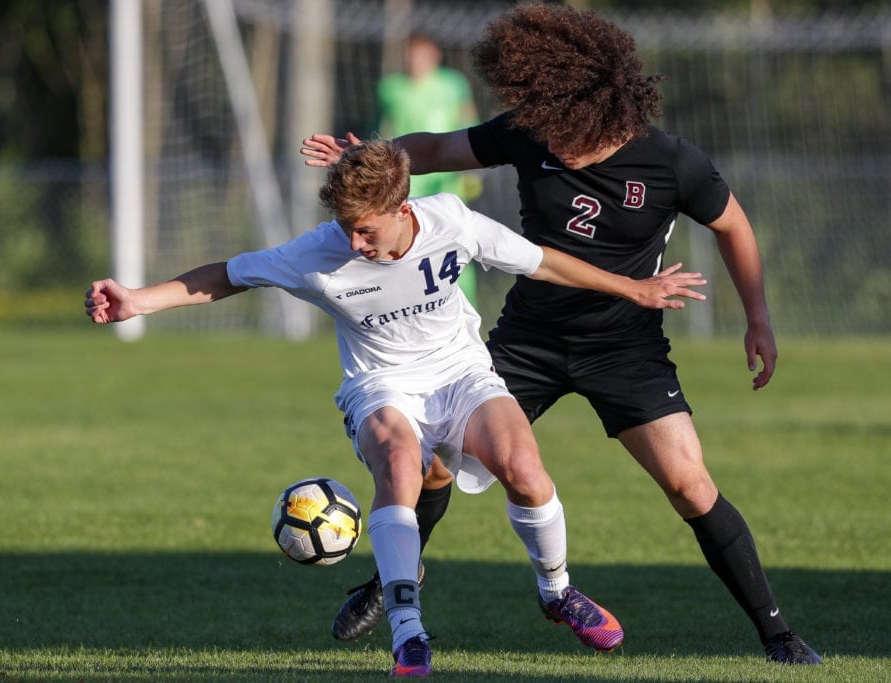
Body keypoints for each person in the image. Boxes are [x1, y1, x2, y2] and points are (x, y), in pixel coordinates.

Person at [301, 3, 823, 666]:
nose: (555, 144)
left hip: (626, 348)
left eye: (565, 131)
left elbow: (734, 227)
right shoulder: (532, 131)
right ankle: (390, 584)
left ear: (602, 111)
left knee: (691, 484)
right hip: (529, 339)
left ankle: (777, 633)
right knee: (429, 460)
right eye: (544, 127)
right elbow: (434, 148)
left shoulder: (671, 162)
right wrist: (367, 161)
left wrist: (758, 318)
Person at [85, 139, 708, 677]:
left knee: (525, 468)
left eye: (368, 229)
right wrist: (138, 300)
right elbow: (225, 275)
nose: (355, 242)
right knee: (401, 466)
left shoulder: (451, 222)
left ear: (403, 209)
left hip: (462, 373)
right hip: (381, 384)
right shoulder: (319, 252)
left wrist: (633, 286)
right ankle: (408, 630)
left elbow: (542, 262)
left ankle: (557, 592)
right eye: (347, 227)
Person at [376, 31, 482, 306]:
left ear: (435, 56)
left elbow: (468, 118)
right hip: (407, 177)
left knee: (455, 237)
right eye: (411, 55)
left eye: (422, 55)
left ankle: (463, 301)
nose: (416, 61)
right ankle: (411, 303)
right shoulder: (391, 88)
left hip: (447, 175)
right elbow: (385, 128)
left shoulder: (453, 85)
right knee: (407, 243)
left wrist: (473, 169)